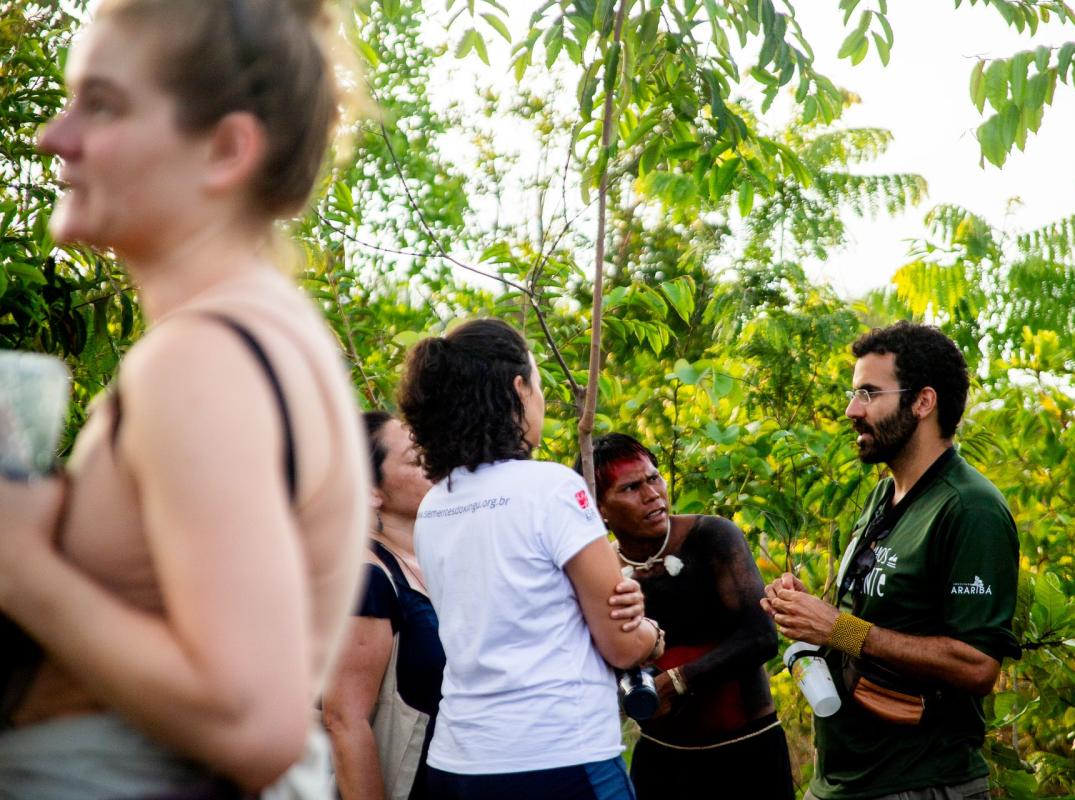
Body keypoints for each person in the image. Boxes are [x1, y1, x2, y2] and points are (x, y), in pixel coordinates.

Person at [0, 0, 367, 796]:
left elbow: (254, 721)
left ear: (225, 149)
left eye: (99, 105)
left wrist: (22, 566)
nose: (52, 137)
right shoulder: (263, 331)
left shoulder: (202, 359)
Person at [398, 318, 662, 800]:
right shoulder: (550, 487)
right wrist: (653, 635)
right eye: (539, 385)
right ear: (518, 389)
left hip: (457, 762)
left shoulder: (434, 504)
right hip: (557, 756)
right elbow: (622, 645)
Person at [762, 321, 1021, 800]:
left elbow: (978, 665)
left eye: (868, 393)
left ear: (923, 402)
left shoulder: (969, 508)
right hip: (844, 779)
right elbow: (876, 612)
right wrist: (807, 613)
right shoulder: (885, 494)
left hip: (919, 782)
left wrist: (838, 628)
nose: (851, 410)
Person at [578, 432, 794, 799]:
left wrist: (678, 680)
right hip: (663, 762)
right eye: (631, 488)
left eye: (653, 478)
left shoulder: (712, 537)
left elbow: (761, 637)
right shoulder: (601, 569)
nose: (652, 494)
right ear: (600, 508)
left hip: (747, 755)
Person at [324, 412, 444, 800]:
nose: (434, 463)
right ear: (372, 491)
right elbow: (345, 722)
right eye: (415, 458)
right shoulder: (368, 580)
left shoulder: (441, 561)